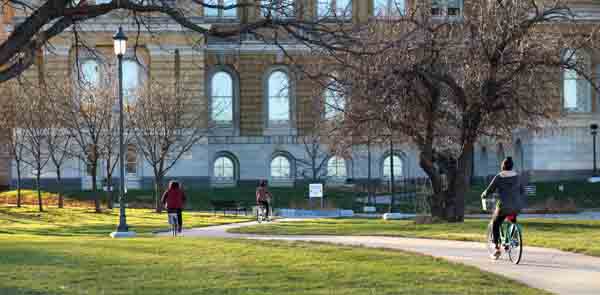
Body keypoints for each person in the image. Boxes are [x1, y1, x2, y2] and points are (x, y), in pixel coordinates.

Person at [481, 157, 525, 260]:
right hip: (516, 206)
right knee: (512, 220)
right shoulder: (517, 176)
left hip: (504, 207)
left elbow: (490, 189)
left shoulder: (499, 176)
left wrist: (484, 194)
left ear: (503, 166)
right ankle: (514, 239)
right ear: (512, 166)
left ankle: (497, 247)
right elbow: (522, 190)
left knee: (495, 223)